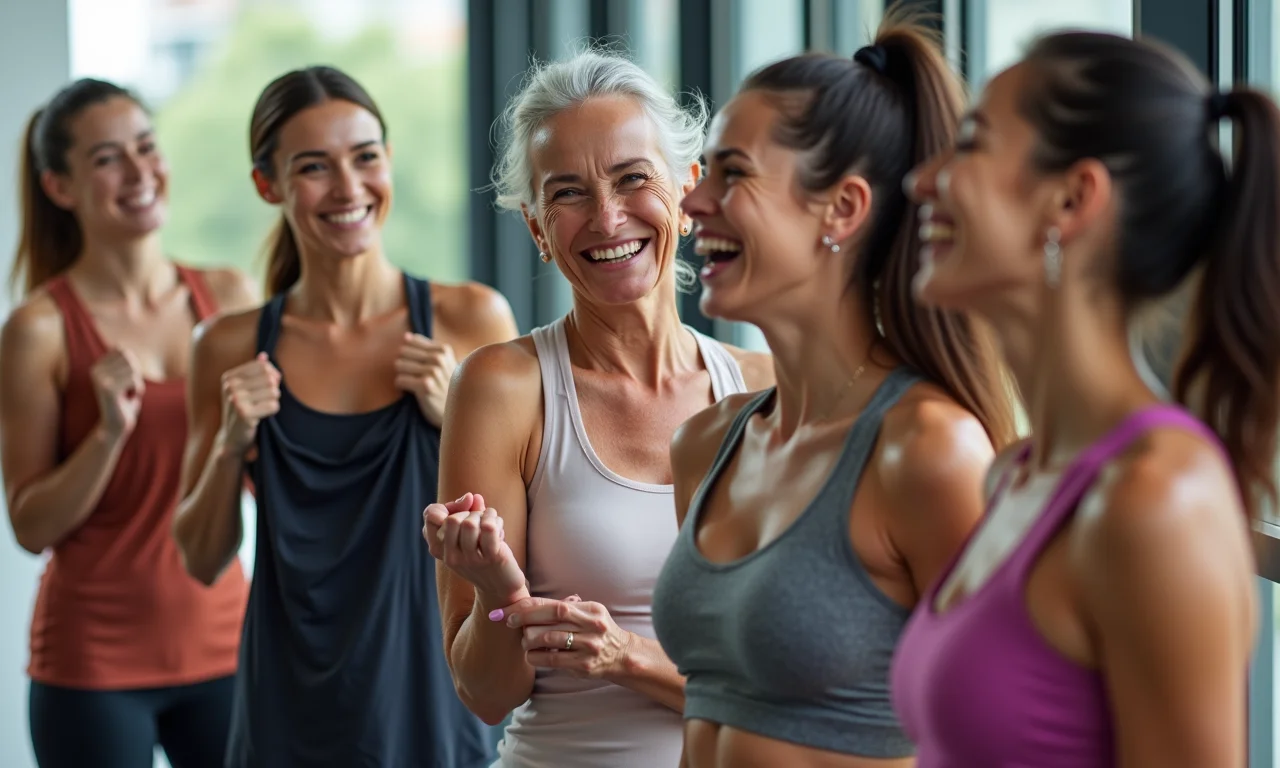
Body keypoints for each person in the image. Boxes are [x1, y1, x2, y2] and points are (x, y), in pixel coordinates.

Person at [890, 31, 1275, 767]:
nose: (922, 180)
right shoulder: (1018, 475)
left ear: (1071, 198)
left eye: (970, 145)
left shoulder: (1155, 500)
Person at [652, 15, 1020, 768]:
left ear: (843, 209)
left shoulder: (926, 449)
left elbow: (1003, 736)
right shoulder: (706, 444)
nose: (693, 202)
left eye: (734, 173)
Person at [421, 49, 773, 768]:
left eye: (632, 178)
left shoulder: (764, 389)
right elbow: (485, 694)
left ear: (686, 189)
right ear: (537, 231)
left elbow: (789, 689)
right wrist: (500, 589)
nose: (607, 217)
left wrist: (629, 657)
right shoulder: (502, 386)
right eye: (569, 193)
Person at [171, 65, 517, 767]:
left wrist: (458, 415)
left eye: (365, 157)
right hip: (285, 711)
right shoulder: (228, 345)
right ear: (268, 185)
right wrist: (229, 444)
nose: (349, 188)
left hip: (432, 701)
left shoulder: (470, 318)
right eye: (314, 168)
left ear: (388, 161)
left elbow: (530, 531)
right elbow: (201, 559)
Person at [0, 78, 255, 768]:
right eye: (109, 158)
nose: (140, 172)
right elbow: (30, 525)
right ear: (60, 186)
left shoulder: (227, 298)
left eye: (147, 147)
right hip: (92, 667)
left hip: (228, 646)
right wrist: (108, 432)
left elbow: (271, 477)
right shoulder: (40, 329)